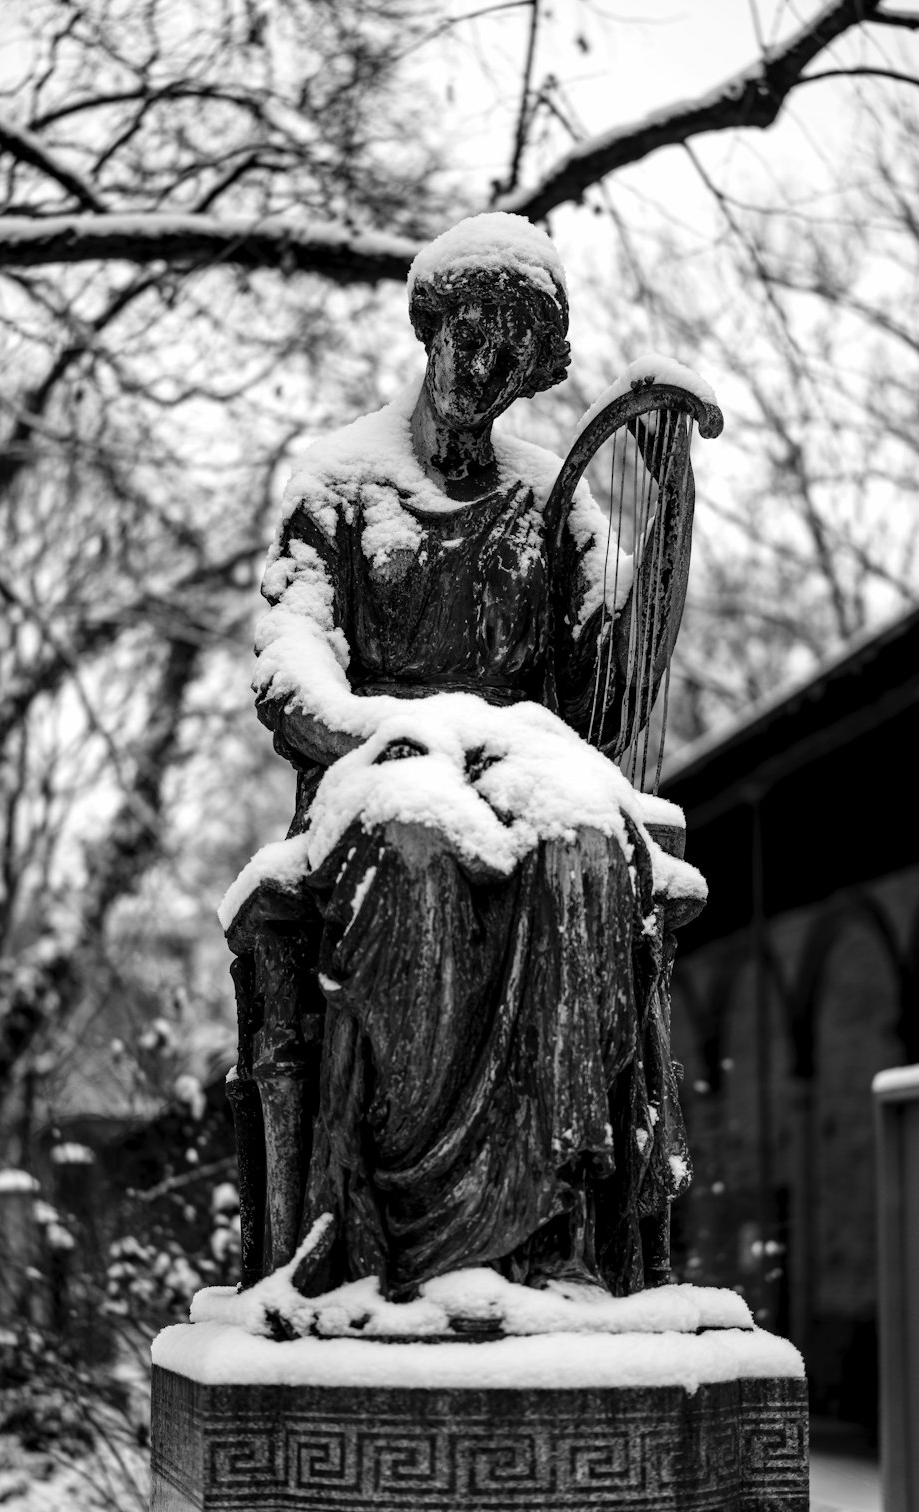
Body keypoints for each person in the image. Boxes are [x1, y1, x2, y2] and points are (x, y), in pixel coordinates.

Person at [225, 212, 702, 1305]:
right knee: (418, 844)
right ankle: (398, 1226)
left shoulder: (549, 502)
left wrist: (667, 514)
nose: (482, 366)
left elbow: (605, 678)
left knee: (581, 842)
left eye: (513, 355)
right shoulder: (339, 486)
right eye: (470, 335)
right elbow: (288, 673)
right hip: (381, 775)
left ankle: (546, 1227)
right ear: (430, 329)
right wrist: (375, 732)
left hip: (514, 765)